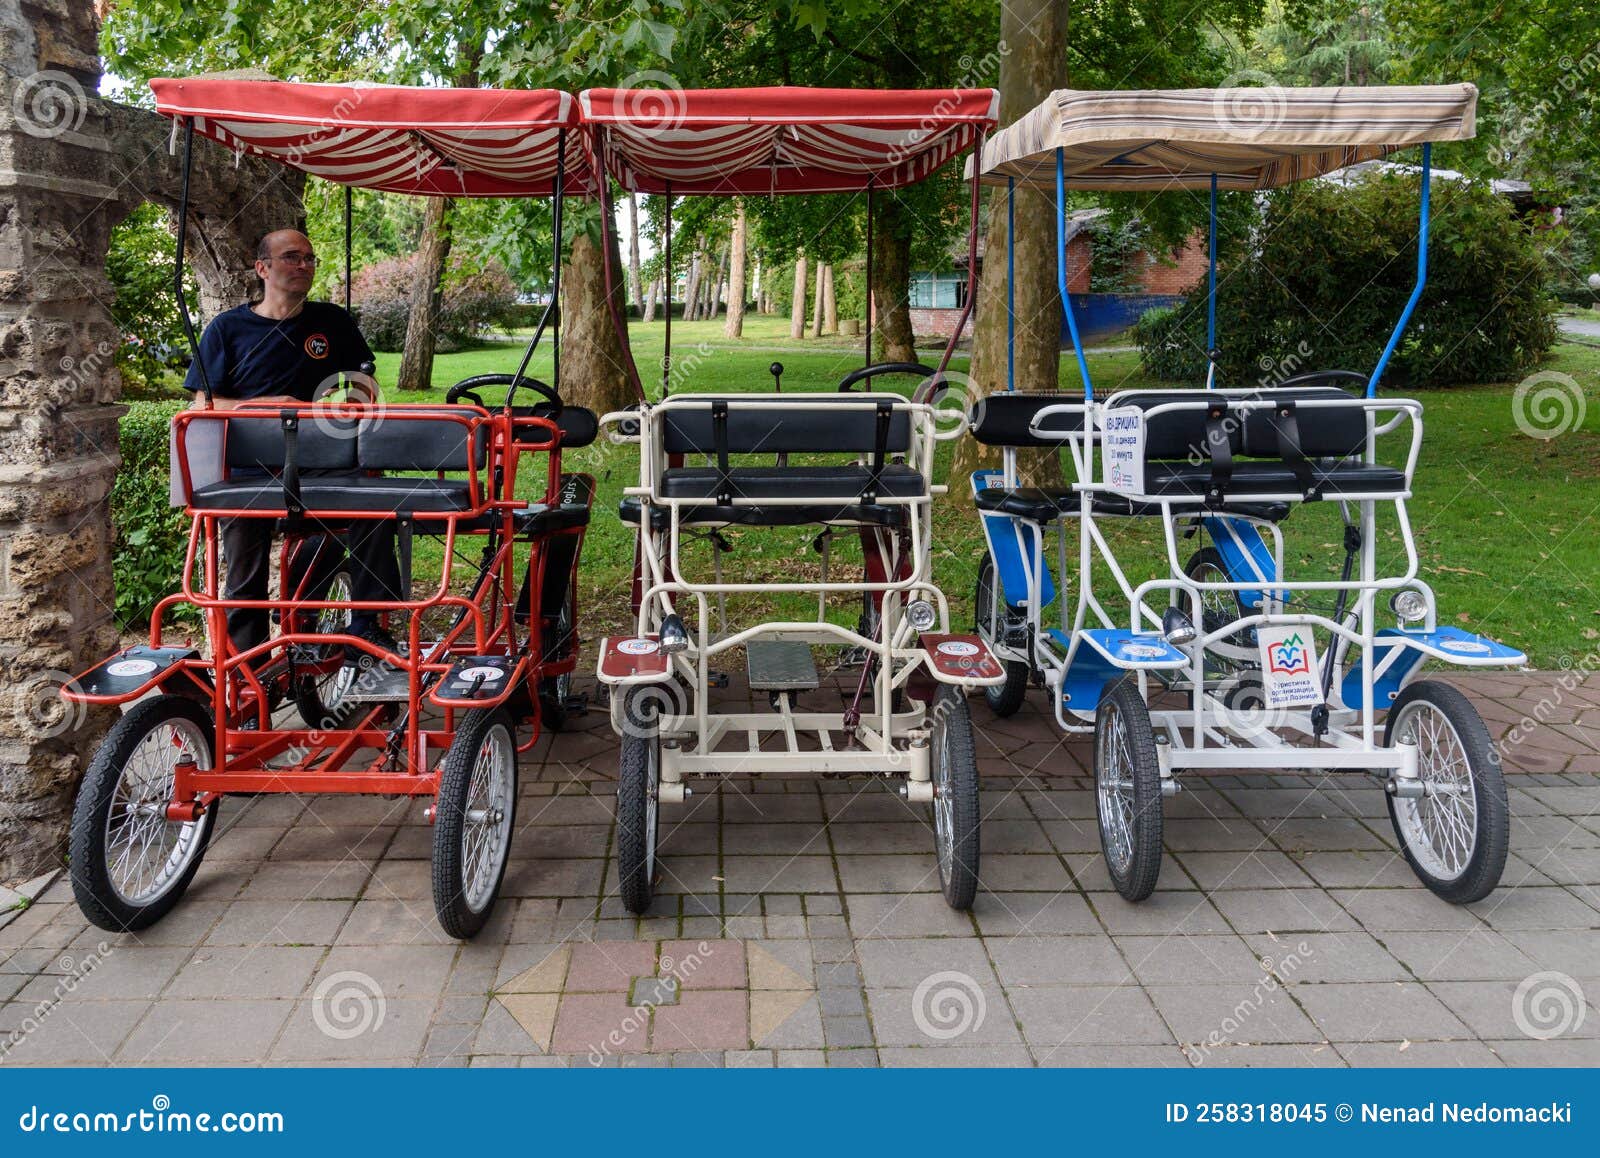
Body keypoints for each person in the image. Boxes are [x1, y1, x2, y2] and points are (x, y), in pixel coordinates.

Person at [182, 228, 402, 665]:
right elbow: (203, 403)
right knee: (243, 568)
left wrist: (348, 404)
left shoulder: (332, 321)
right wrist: (265, 406)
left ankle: (367, 625)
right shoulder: (227, 329)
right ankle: (249, 667)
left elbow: (363, 383)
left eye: (309, 258)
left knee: (377, 508)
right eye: (291, 257)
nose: (303, 265)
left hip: (323, 463)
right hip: (250, 470)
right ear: (262, 268)